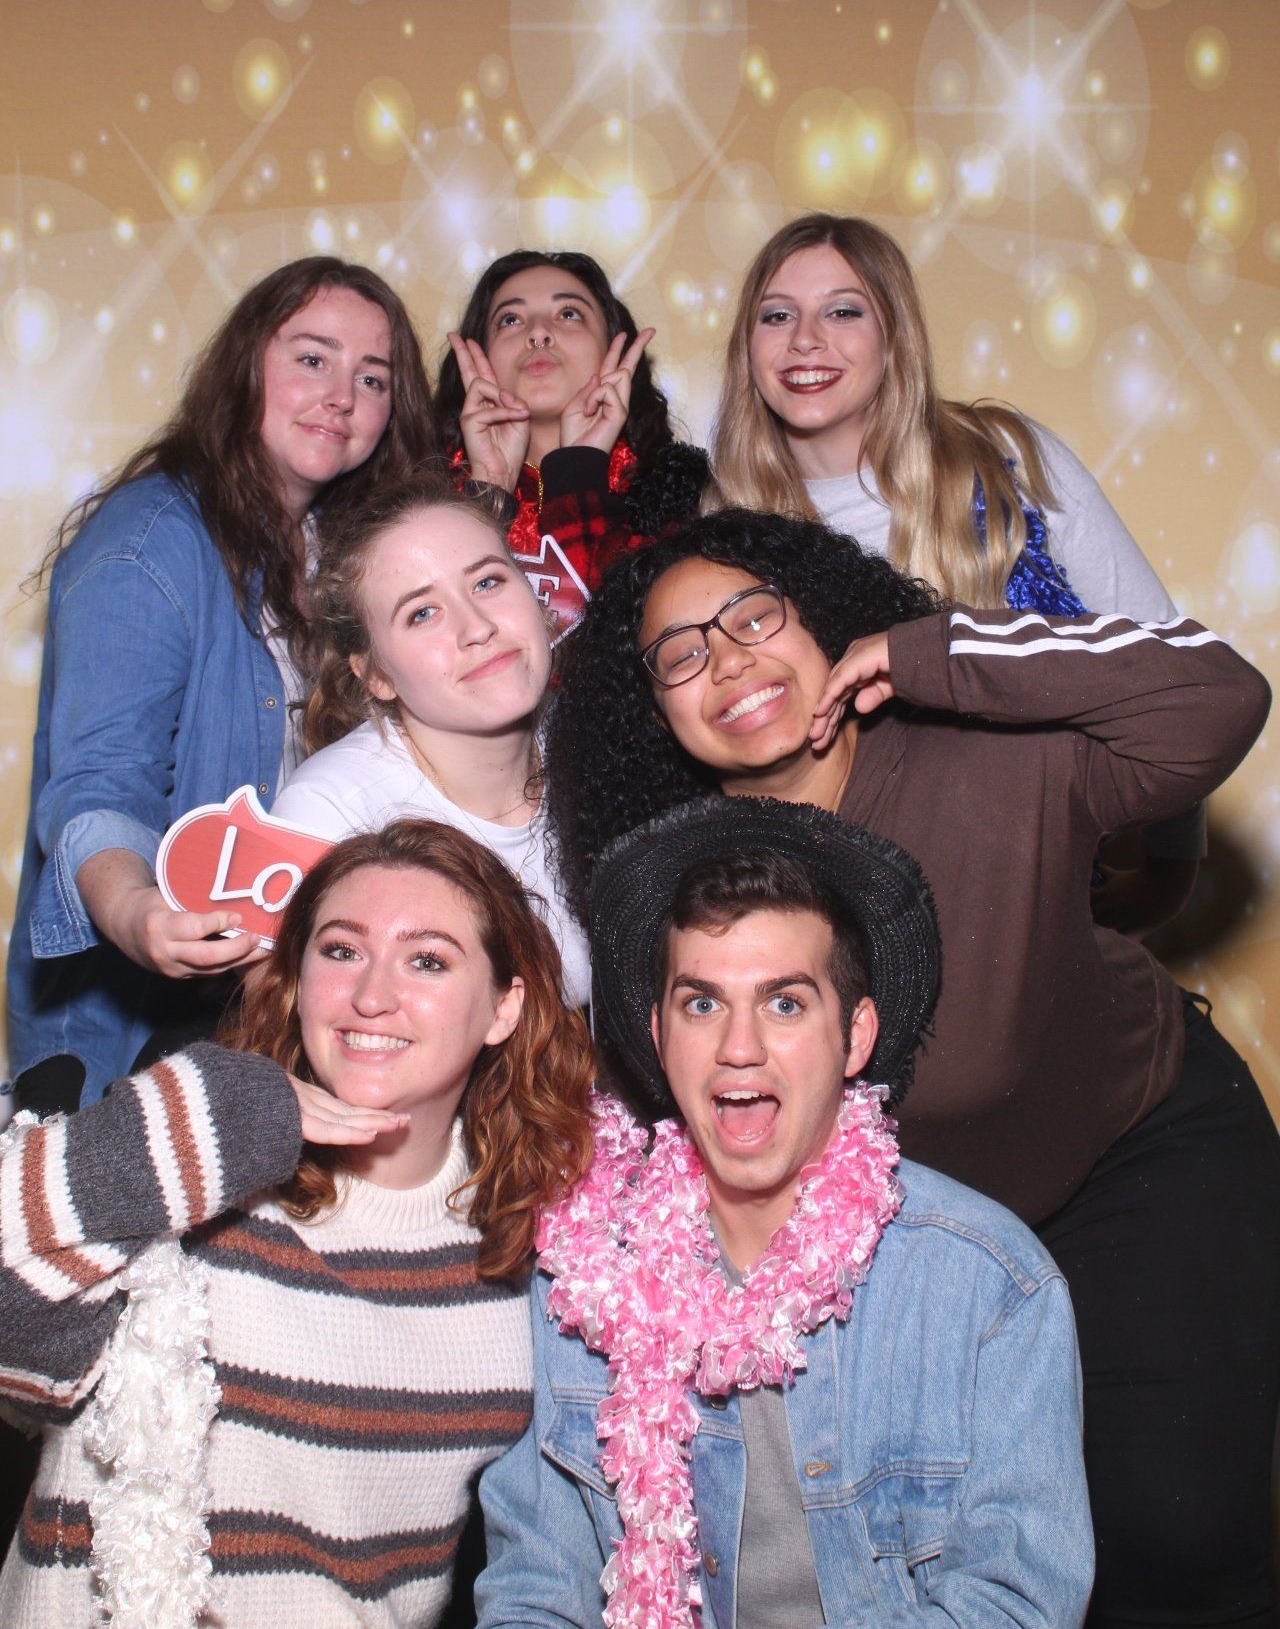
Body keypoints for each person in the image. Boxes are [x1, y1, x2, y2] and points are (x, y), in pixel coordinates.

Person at [542, 508, 1280, 1629]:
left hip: (1131, 1159)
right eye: (679, 654)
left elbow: (1217, 699)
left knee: (1169, 1534)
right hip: (900, 1250)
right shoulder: (685, 883)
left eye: (753, 616)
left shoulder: (987, 756)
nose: (726, 660)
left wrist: (938, 651)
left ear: (820, 620)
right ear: (656, 712)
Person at [475, 797, 1094, 1628]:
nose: (740, 1047)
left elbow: (1014, 1608)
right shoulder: (580, 1277)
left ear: (856, 1036)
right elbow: (536, 1592)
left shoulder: (990, 1288)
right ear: (659, 1035)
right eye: (702, 1005)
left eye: (786, 1004)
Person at [0, 818, 595, 1628]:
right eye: (341, 950)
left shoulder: (530, 1259)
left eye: (427, 960)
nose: (371, 995)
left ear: (504, 1006)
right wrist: (214, 1113)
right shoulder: (192, 1171)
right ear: (297, 977)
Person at [7, 257, 439, 1108]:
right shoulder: (146, 544)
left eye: (372, 377)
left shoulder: (335, 549)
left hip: (271, 1002)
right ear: (245, 366)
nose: (342, 396)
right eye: (312, 358)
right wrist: (138, 911)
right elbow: (99, 781)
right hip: (133, 1029)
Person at [710, 212, 1201, 935]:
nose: (805, 339)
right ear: (746, 347)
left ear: (894, 335)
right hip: (837, 924)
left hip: (1031, 896)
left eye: (843, 311)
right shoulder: (722, 528)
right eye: (776, 315)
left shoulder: (1002, 462)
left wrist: (1170, 866)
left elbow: (1161, 661)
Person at [273, 475, 590, 1008]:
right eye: (422, 613)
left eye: (487, 582)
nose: (477, 627)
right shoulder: (328, 815)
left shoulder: (597, 747)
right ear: (375, 674)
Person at [437, 248, 707, 636]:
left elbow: (633, 639)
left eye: (568, 314)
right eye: (510, 320)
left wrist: (578, 468)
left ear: (612, 347)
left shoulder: (675, 496)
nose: (538, 333)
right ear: (480, 355)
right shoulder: (427, 498)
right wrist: (488, 494)